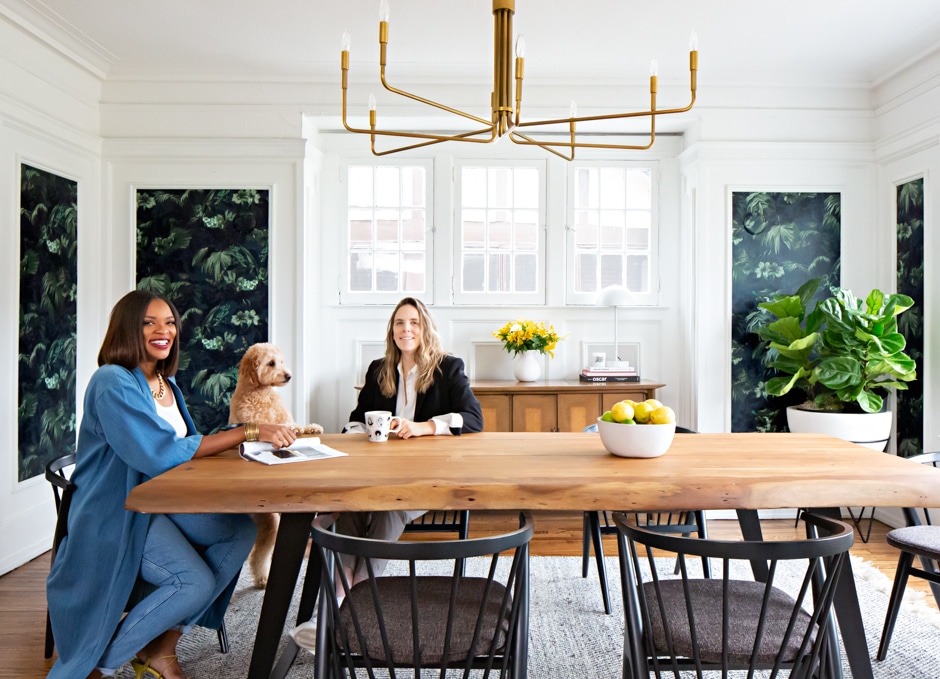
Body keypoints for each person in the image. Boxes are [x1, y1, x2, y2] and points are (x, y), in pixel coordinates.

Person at [46, 290, 298, 679]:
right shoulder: (112, 381)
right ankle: (99, 664)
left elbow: (186, 445)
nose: (164, 331)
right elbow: (161, 452)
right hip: (118, 509)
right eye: (150, 322)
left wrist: (243, 437)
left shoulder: (165, 384)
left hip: (158, 500)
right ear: (127, 328)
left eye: (169, 323)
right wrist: (248, 430)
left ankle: (161, 648)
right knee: (192, 582)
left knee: (239, 529)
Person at [338, 296, 483, 588]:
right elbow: (354, 420)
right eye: (400, 323)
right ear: (392, 331)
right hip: (379, 472)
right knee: (348, 504)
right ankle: (338, 595)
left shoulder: (448, 368)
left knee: (389, 506)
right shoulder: (378, 369)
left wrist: (423, 428)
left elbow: (473, 418)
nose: (407, 329)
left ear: (425, 329)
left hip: (426, 477)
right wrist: (366, 432)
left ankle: (361, 593)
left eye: (414, 323)